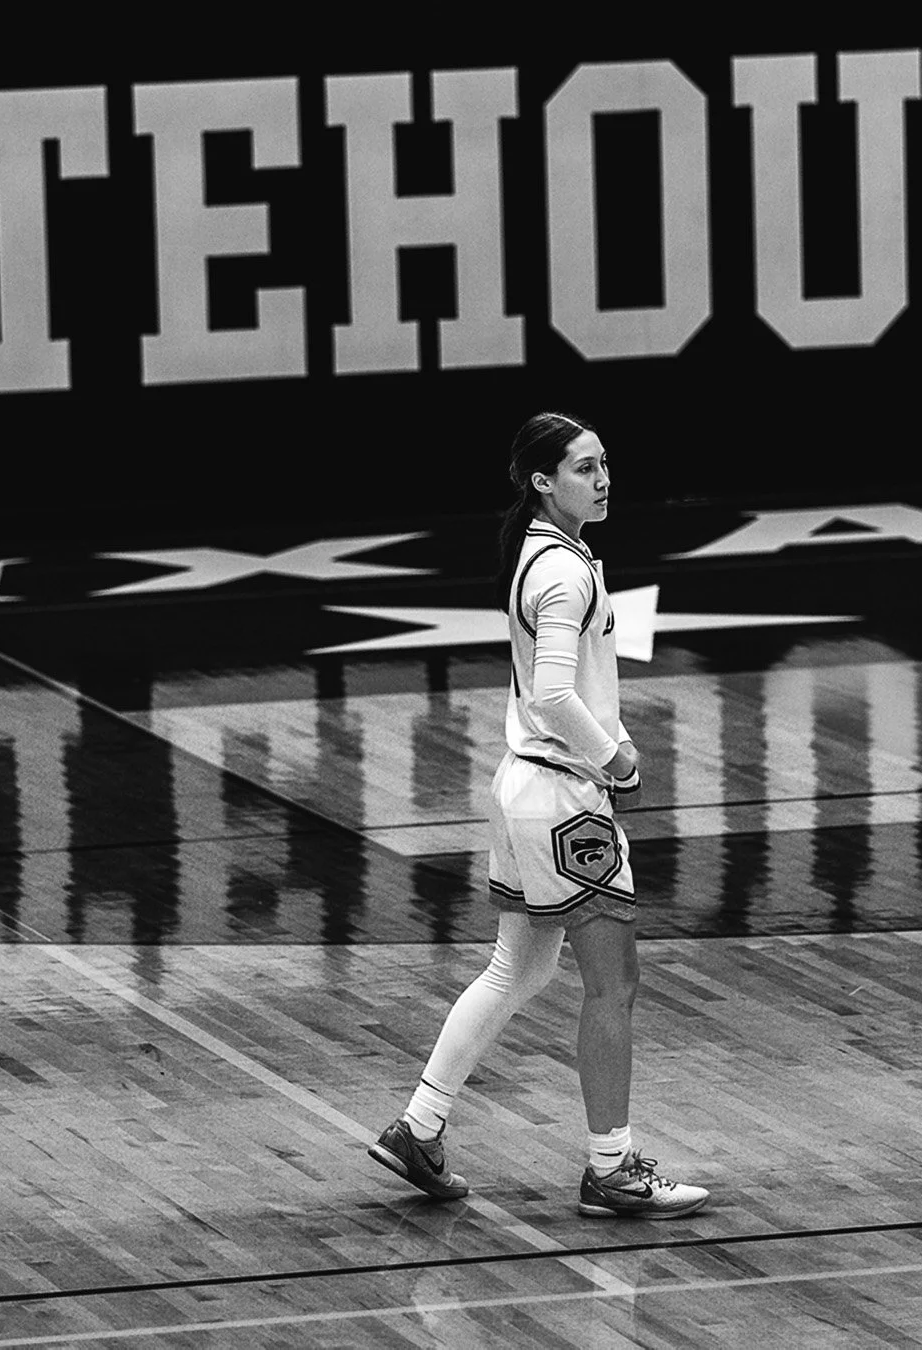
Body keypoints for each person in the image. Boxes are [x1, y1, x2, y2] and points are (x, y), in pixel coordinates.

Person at [368, 411, 709, 1220]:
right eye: (586, 469)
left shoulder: (543, 552)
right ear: (541, 481)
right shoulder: (562, 573)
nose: (603, 479)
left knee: (518, 969)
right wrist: (616, 758)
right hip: (562, 802)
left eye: (604, 465)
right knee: (612, 985)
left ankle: (418, 1128)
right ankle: (610, 1168)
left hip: (522, 789)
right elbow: (555, 693)